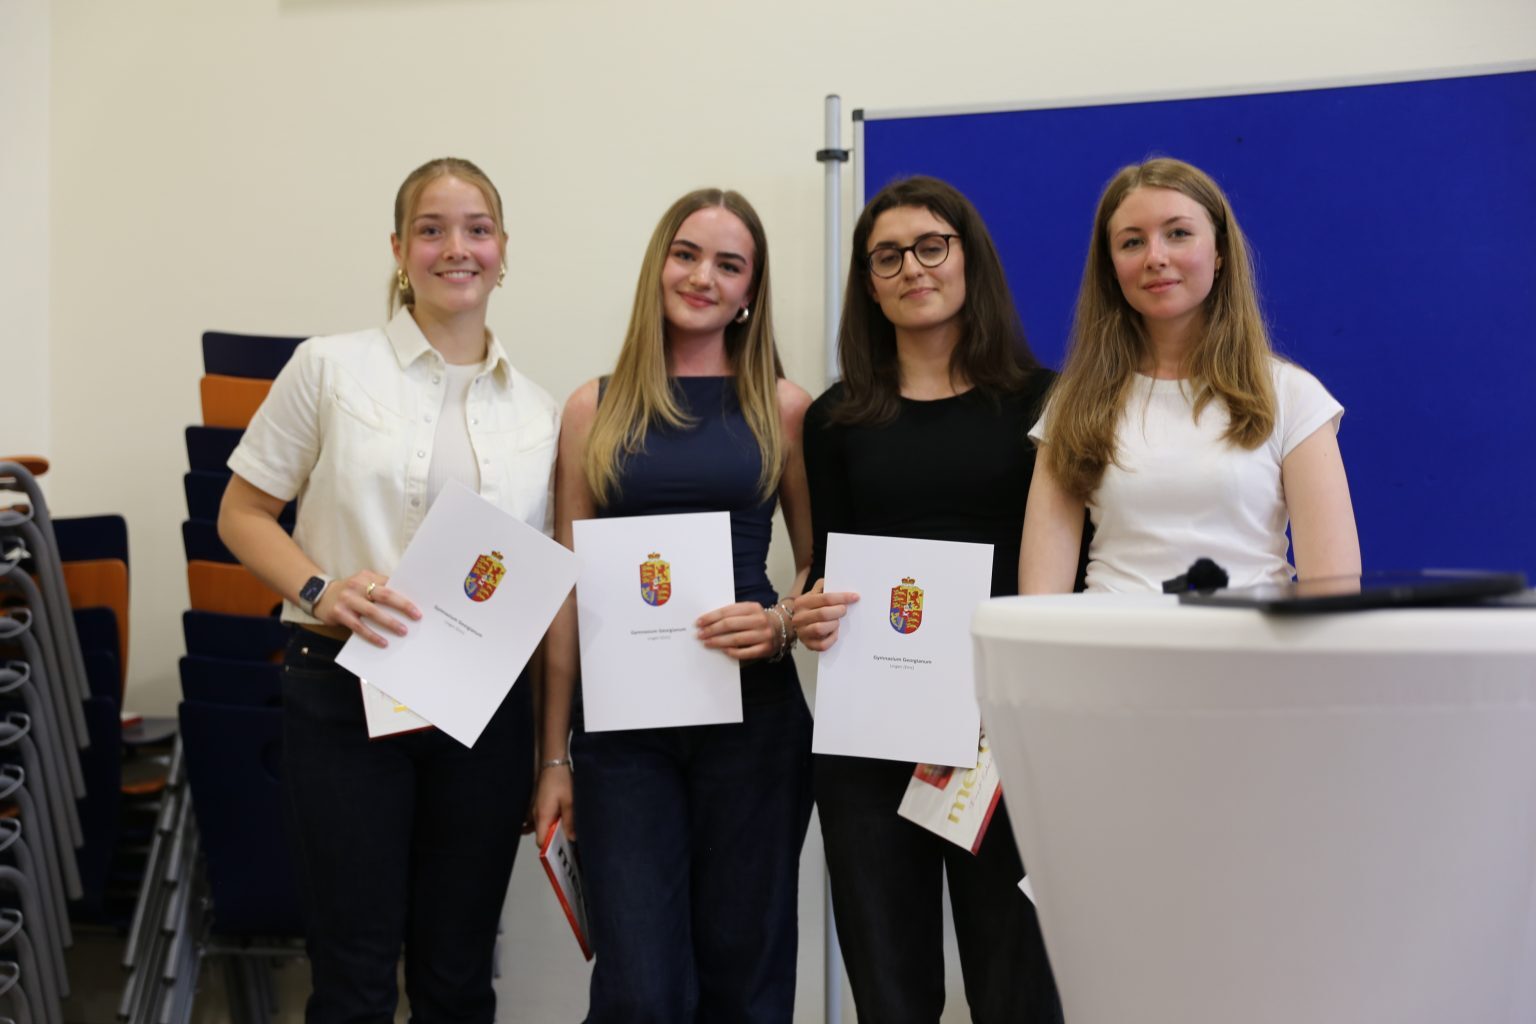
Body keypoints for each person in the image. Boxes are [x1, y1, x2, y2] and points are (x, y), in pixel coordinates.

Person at [217, 157, 558, 1023]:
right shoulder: (329, 368)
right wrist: (319, 587)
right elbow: (241, 513)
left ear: (504, 250)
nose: (457, 248)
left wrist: (548, 751)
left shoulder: (541, 413)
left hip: (478, 710)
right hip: (342, 690)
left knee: (458, 978)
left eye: (477, 229)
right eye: (432, 230)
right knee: (354, 978)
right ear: (400, 250)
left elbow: (540, 589)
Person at [532, 189, 814, 1022]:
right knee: (641, 991)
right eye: (686, 254)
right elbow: (566, 590)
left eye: (729, 264)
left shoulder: (785, 407)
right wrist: (553, 758)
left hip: (754, 721)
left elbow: (821, 569)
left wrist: (780, 624)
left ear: (750, 291)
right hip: (624, 734)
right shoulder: (592, 407)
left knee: (746, 979)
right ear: (659, 264)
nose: (702, 277)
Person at [792, 175, 1064, 1023]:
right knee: (891, 994)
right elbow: (823, 567)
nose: (912, 267)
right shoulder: (834, 419)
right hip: (870, 737)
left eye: (931, 246)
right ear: (869, 285)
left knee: (1017, 991)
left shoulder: (1046, 402)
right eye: (887, 256)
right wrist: (809, 611)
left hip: (1001, 734)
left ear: (968, 258)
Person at [1020, 157, 1360, 594]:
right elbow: (1040, 598)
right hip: (1110, 636)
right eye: (1132, 242)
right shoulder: (1075, 402)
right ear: (1111, 267)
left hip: (1250, 636)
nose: (1155, 257)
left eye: (1178, 234)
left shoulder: (1291, 396)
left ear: (1219, 253)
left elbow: (1333, 592)